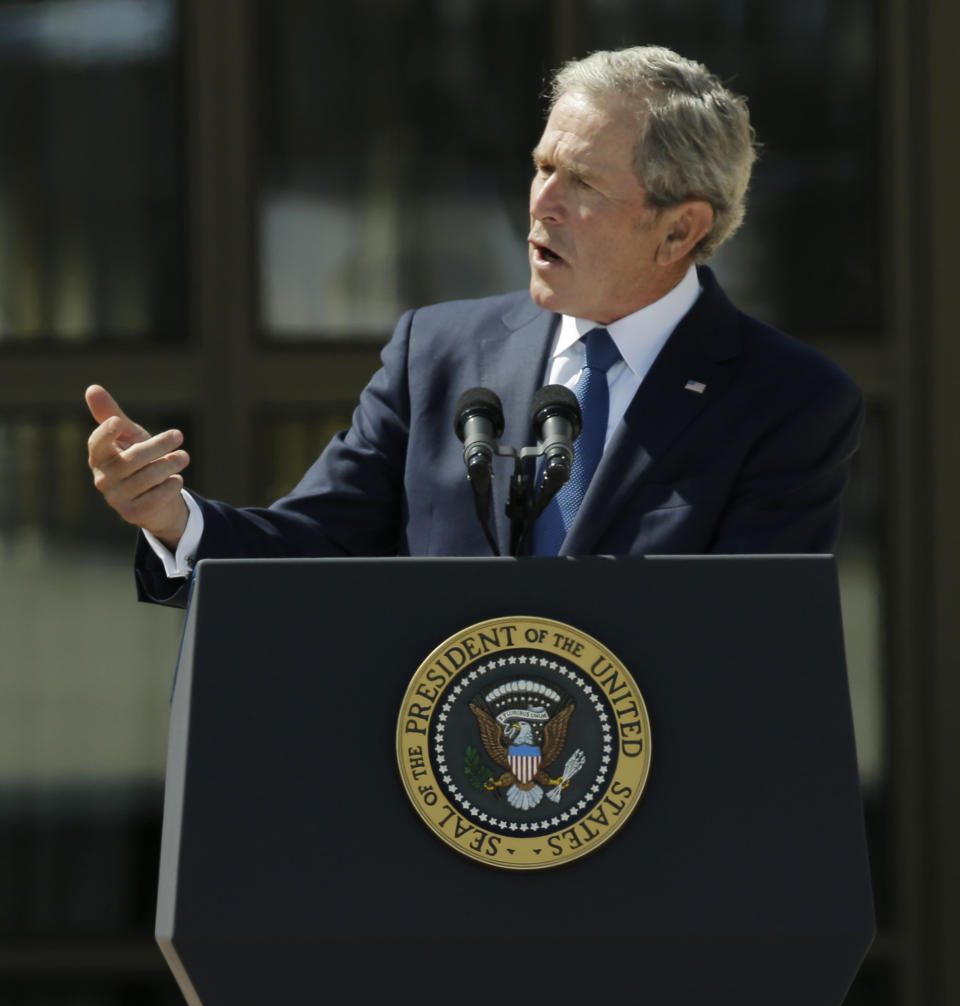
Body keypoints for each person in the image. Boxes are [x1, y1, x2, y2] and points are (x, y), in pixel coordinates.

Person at [86, 45, 863, 608]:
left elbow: (746, 642)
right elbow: (311, 550)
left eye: (582, 181)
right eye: (541, 166)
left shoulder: (788, 401)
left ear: (680, 229)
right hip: (444, 800)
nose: (542, 201)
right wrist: (171, 517)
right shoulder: (438, 352)